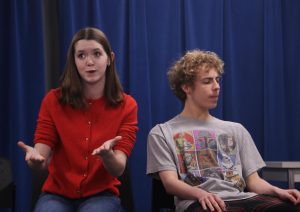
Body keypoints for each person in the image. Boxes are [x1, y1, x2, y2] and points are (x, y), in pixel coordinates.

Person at [146, 49, 300, 212]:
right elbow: (170, 184)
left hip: (244, 199)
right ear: (186, 87)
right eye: (207, 81)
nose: (217, 87)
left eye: (217, 80)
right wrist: (200, 194)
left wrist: (278, 191)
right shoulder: (162, 132)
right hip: (200, 203)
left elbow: (254, 182)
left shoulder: (236, 129)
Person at [18, 27, 138, 212]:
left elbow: (119, 168)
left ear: (110, 59)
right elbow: (41, 153)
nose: (89, 62)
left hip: (101, 195)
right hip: (56, 195)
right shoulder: (53, 100)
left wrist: (108, 156)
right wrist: (35, 160)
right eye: (81, 55)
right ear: (74, 62)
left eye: (97, 54)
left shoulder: (127, 105)